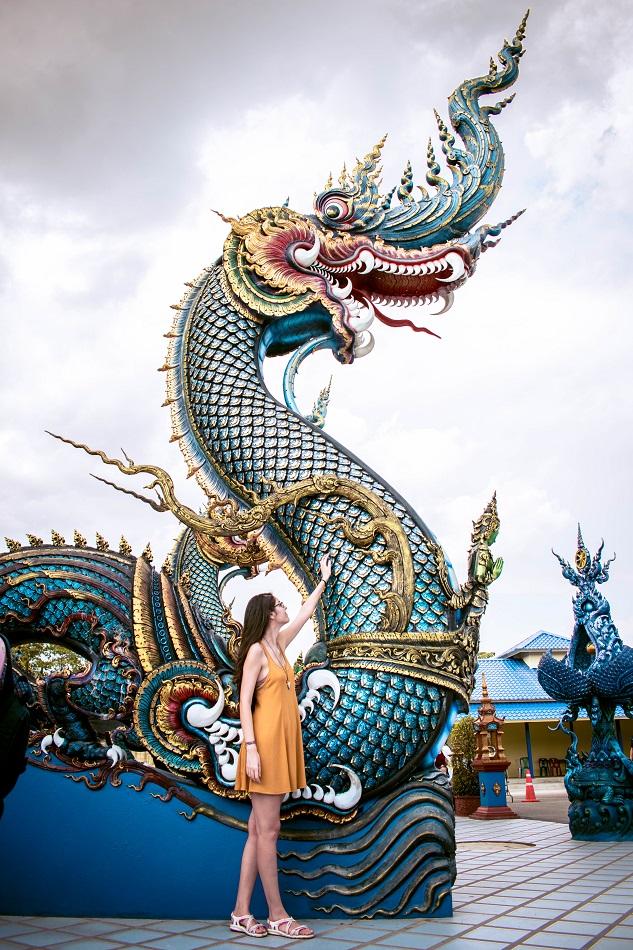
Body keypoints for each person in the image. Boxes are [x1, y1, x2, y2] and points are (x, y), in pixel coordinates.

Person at [230, 554, 332, 940]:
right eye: (280, 605)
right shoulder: (256, 650)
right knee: (268, 832)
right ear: (269, 614)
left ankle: (241, 912)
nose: (286, 608)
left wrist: (322, 581)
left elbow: (306, 612)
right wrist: (251, 748)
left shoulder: (280, 646)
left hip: (280, 746)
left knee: (258, 832)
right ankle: (276, 915)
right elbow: (243, 701)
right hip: (264, 749)